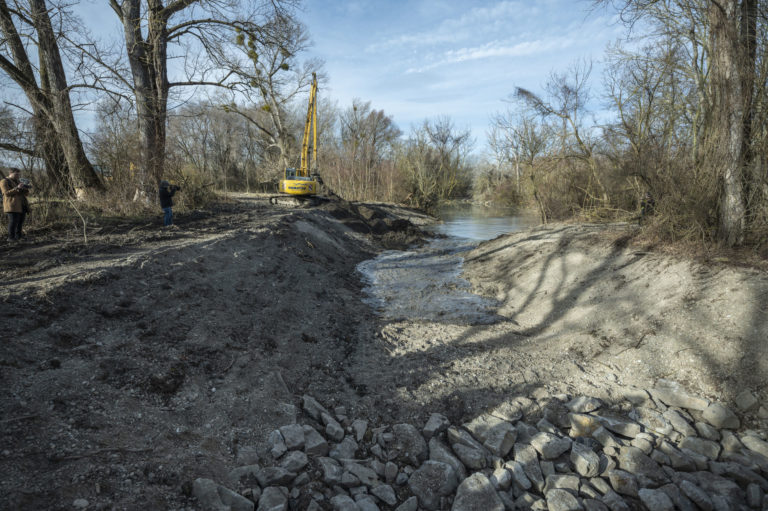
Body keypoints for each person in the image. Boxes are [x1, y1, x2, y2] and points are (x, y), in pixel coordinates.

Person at [1, 168, 31, 242]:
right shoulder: (4, 181)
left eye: (19, 174)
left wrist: (25, 188)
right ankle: (11, 238)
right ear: (10, 173)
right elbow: (6, 193)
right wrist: (17, 188)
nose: (18, 176)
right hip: (12, 205)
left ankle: (19, 237)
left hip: (22, 205)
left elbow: (25, 194)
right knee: (13, 222)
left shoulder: (18, 181)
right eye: (16, 174)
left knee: (20, 222)